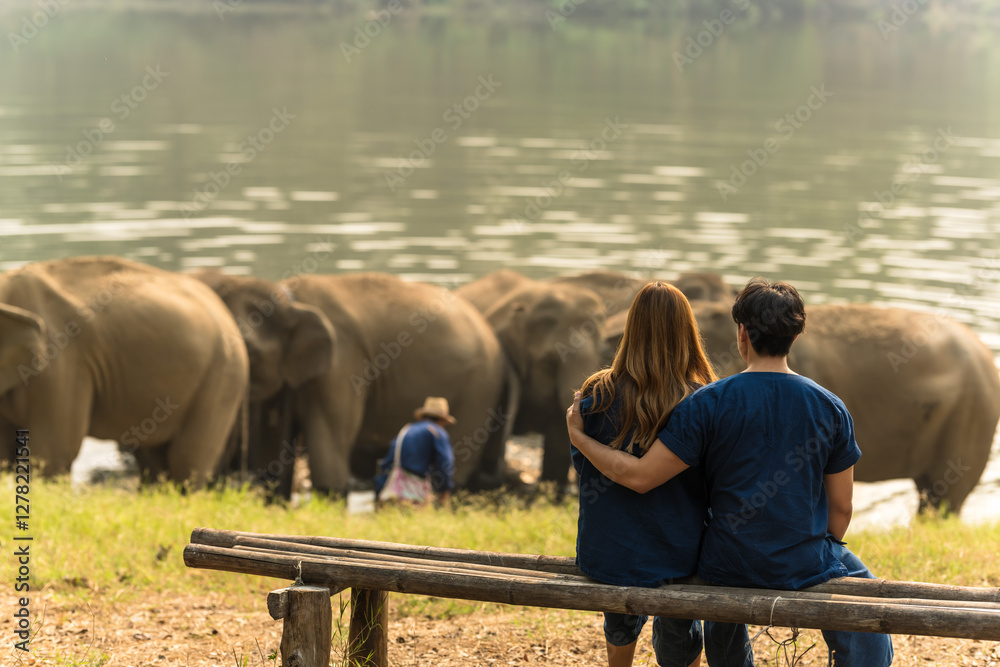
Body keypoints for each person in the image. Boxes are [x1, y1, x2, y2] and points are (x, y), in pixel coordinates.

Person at [567, 277, 894, 667]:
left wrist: (580, 438)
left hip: (721, 557)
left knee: (713, 591)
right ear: (796, 335)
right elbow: (841, 509)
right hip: (799, 557)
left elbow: (641, 476)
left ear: (742, 334)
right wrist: (811, 551)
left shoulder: (707, 402)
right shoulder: (830, 407)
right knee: (869, 599)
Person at [572, 281, 725, 667]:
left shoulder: (598, 392)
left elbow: (585, 470)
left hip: (607, 553)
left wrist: (577, 435)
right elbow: (717, 485)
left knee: (621, 615)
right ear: (687, 332)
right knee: (679, 627)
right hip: (679, 554)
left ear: (631, 327)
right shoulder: (703, 398)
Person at [375, 396, 456, 506]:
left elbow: (388, 461)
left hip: (392, 489)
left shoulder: (407, 429)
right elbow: (445, 462)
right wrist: (445, 490)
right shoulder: (437, 432)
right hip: (415, 493)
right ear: (442, 420)